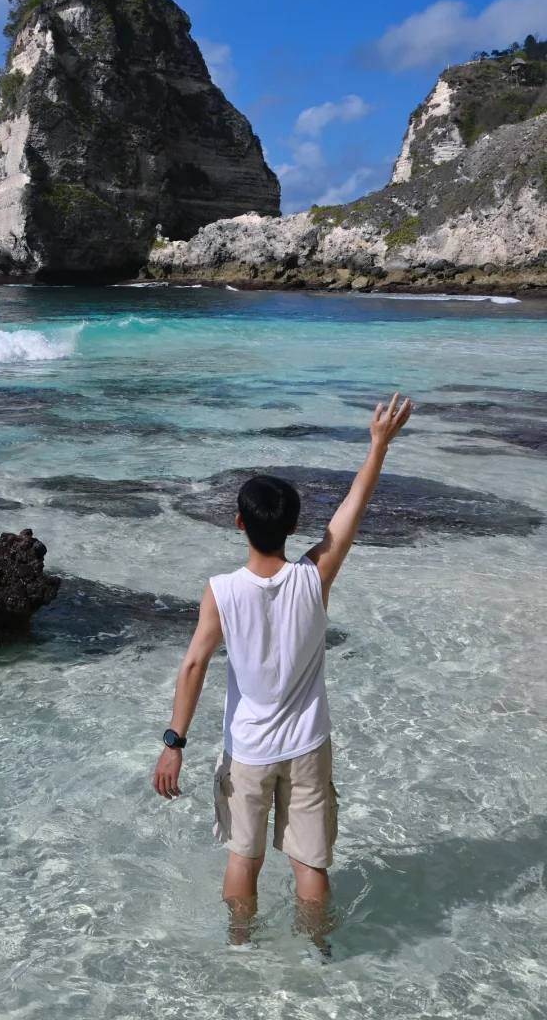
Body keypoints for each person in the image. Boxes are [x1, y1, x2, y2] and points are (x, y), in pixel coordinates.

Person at [153, 392, 414, 945]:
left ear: (239, 523)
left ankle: (241, 949)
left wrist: (174, 742)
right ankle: (320, 955)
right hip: (306, 747)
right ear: (294, 528)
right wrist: (377, 447)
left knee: (242, 861)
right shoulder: (313, 578)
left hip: (248, 751)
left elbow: (195, 662)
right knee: (309, 866)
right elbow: (350, 513)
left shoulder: (221, 591)